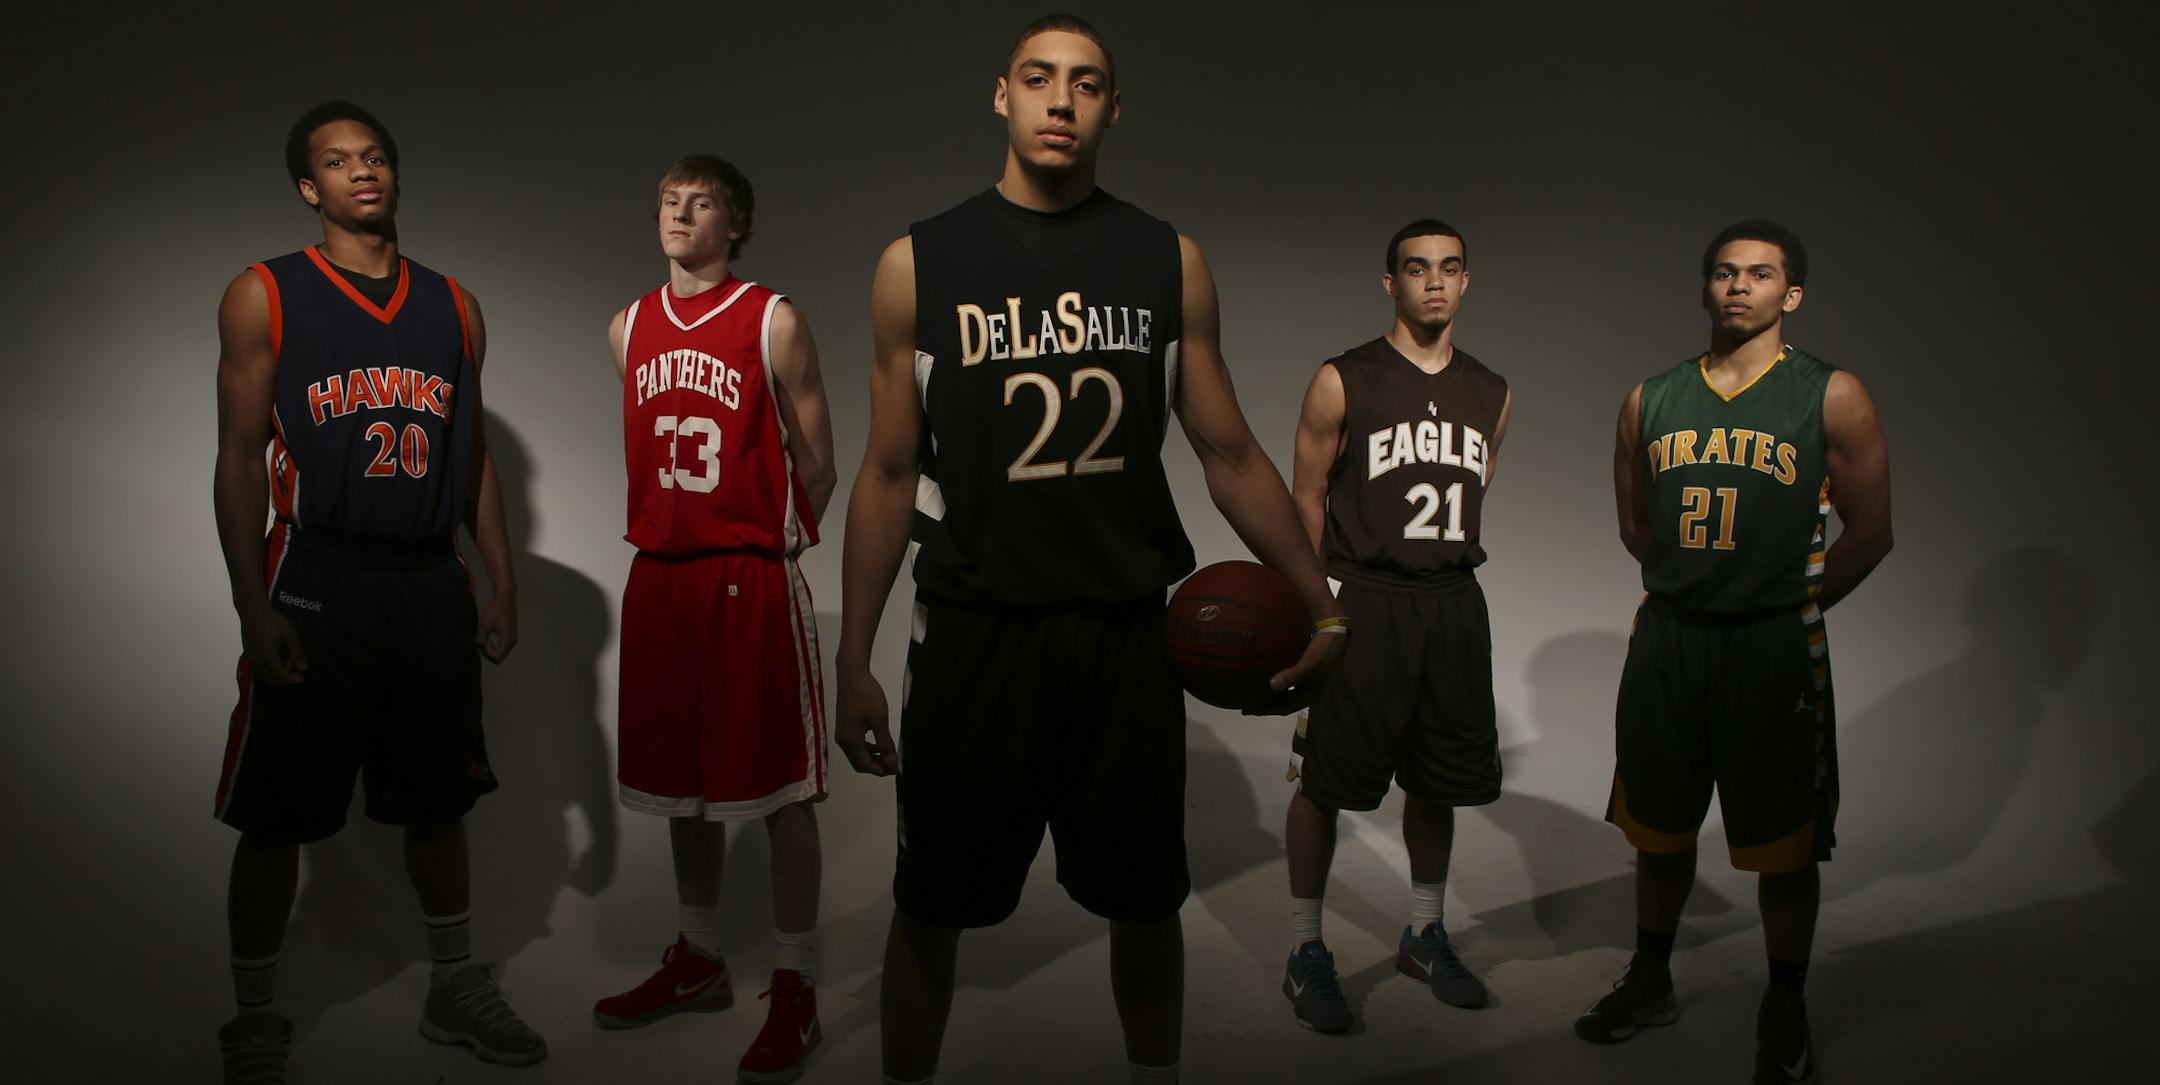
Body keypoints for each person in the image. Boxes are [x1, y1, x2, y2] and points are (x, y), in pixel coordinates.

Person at [832, 14, 1345, 1085]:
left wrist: (1321, 601)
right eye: (1039, 79)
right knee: (931, 909)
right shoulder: (917, 263)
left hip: (1123, 639)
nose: (1062, 100)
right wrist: (854, 656)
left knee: (1145, 904)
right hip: (977, 634)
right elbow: (886, 473)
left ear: (1114, 108)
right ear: (1002, 97)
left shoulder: (1168, 258)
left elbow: (1229, 447)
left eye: (1088, 84)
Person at [210, 100, 542, 1084]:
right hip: (318, 573)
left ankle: (452, 982)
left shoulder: (456, 304)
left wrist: (500, 575)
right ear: (309, 188)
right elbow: (234, 457)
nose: (363, 172)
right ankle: (257, 1013)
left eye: (377, 157)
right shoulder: (262, 293)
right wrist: (250, 601)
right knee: (278, 812)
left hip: (426, 581)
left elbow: (471, 453)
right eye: (338, 161)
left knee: (438, 801)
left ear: (395, 175)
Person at [1577, 220, 1893, 1085]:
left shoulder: (1833, 395)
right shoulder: (1650, 398)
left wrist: (1793, 601)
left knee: (1784, 845)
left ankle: (1784, 1002)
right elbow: (1638, 529)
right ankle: (1650, 977)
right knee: (1661, 829)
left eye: (1760, 274)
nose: (1739, 286)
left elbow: (1874, 531)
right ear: (1705, 288)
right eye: (1724, 272)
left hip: (1772, 648)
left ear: (1791, 294)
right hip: (1671, 640)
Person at [593, 154, 836, 1085]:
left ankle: (797, 982)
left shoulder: (772, 317)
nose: (680, 214)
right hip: (658, 573)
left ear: (735, 225)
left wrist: (778, 544)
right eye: (668, 200)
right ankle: (696, 957)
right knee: (680, 783)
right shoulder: (627, 327)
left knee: (783, 788)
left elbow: (818, 456)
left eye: (701, 204)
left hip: (747, 576)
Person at [1278, 220, 1513, 1033]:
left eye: (1449, 268)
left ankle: (1422, 931)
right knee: (1323, 782)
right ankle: (1305, 948)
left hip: (1452, 603)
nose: (1434, 283)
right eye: (1417, 269)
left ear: (1467, 280)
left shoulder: (1494, 390)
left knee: (1439, 777)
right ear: (1392, 283)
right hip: (1364, 597)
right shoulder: (1343, 379)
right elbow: (1305, 501)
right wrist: (1311, 610)